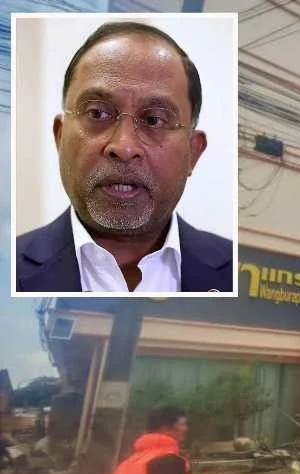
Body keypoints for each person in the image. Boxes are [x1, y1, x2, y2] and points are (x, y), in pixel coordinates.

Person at [15, 21, 232, 293]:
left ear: (193, 152)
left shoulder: (233, 271)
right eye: (97, 113)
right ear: (60, 136)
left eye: (154, 119)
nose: (124, 147)